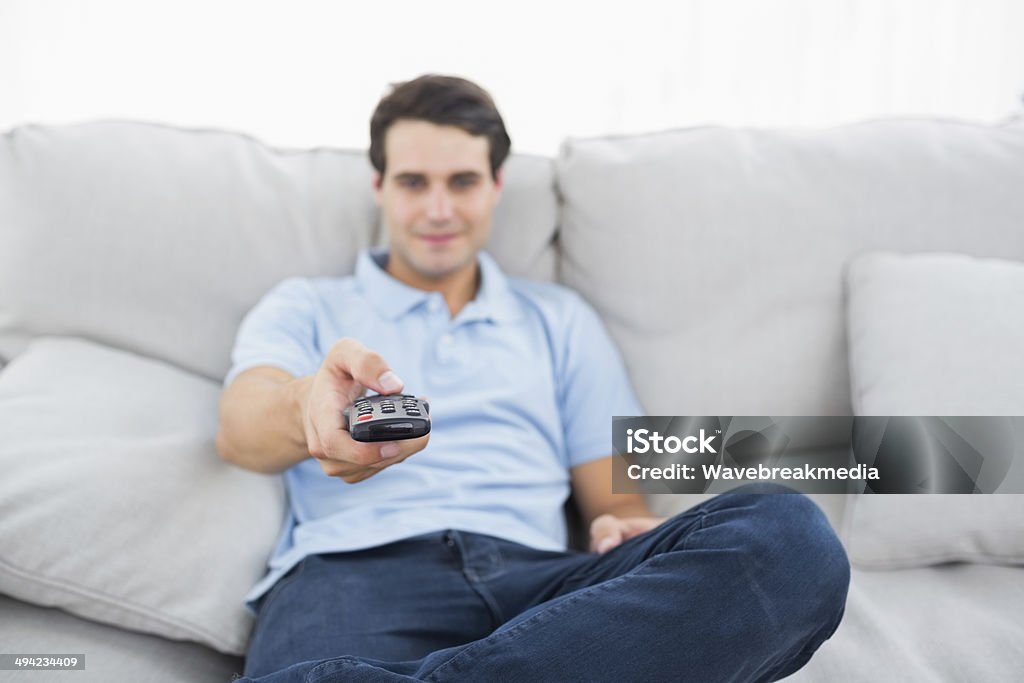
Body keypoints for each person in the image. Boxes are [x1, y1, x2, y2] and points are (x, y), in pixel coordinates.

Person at [216, 75, 850, 683]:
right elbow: (240, 428)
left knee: (789, 539)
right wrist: (308, 408)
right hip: (354, 577)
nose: (438, 210)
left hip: (547, 591)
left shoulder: (558, 320)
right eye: (414, 183)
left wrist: (616, 522)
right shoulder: (306, 305)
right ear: (379, 186)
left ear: (495, 186)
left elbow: (615, 497)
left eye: (462, 182)